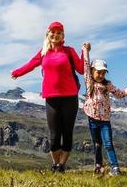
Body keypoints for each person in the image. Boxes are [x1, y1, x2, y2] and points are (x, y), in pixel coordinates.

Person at [11, 21, 84, 173]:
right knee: (54, 135)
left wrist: (84, 52)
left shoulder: (69, 51)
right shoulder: (43, 52)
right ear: (48, 34)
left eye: (59, 33)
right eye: (53, 32)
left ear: (63, 36)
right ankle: (55, 163)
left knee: (67, 132)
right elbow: (31, 64)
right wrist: (18, 72)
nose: (55, 35)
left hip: (70, 97)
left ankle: (61, 165)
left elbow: (81, 69)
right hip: (51, 97)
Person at [82, 42, 127, 176]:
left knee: (108, 143)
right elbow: (85, 65)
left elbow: (119, 94)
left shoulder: (107, 84)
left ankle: (115, 167)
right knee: (97, 144)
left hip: (104, 121)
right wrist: (85, 50)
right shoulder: (89, 82)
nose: (101, 75)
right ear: (92, 71)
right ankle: (99, 166)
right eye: (98, 72)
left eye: (103, 73)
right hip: (92, 119)